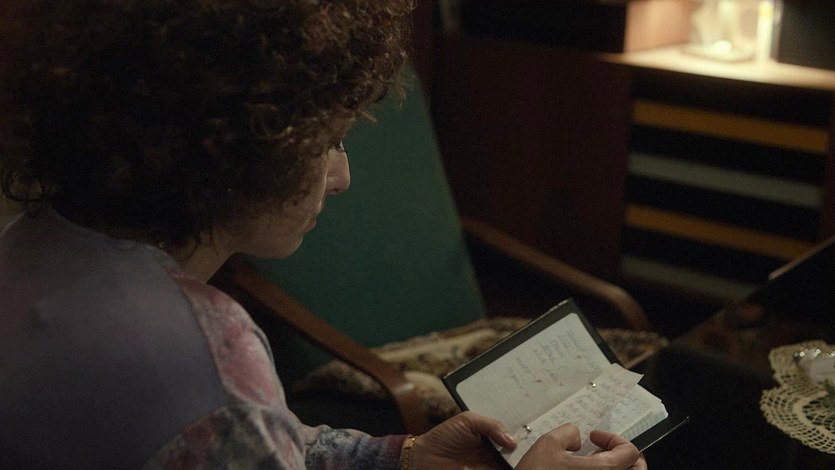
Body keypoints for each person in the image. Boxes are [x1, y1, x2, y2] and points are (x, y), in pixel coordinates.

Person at [0, 1, 647, 469]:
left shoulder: (31, 243)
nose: (341, 177)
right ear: (237, 149)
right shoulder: (210, 357)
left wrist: (401, 455)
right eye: (328, 141)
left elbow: (259, 443)